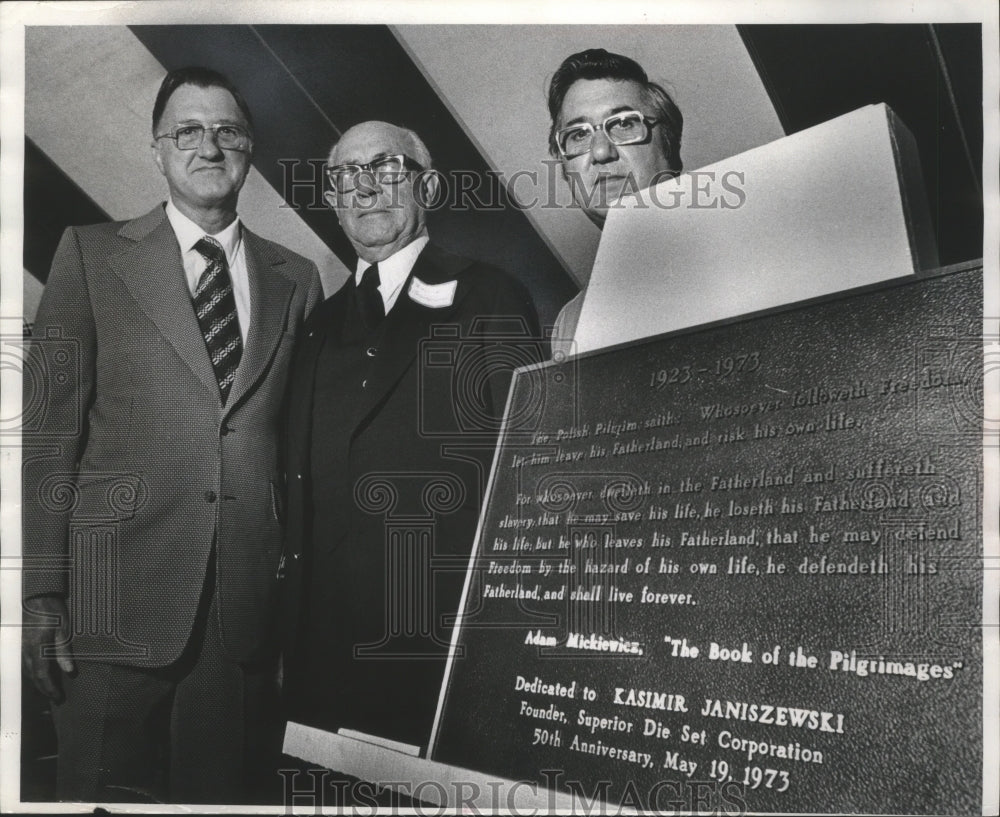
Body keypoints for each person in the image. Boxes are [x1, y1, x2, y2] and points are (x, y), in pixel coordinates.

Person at [21, 66, 322, 804]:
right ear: (157, 149)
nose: (208, 145)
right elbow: (46, 432)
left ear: (250, 151)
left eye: (227, 131)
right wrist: (41, 591)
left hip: (241, 623)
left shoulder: (299, 278)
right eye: (187, 129)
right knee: (99, 792)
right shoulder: (90, 255)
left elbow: (298, 450)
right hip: (109, 609)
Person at [282, 121, 541, 751]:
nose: (365, 188)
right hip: (323, 662)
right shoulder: (315, 327)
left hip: (441, 655)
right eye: (347, 175)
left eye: (386, 168)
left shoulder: (488, 295)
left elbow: (527, 477)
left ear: (426, 185)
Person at [547, 48, 684, 356]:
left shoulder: (749, 262)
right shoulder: (570, 323)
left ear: (669, 147)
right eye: (578, 134)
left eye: (623, 124)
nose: (600, 152)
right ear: (566, 172)